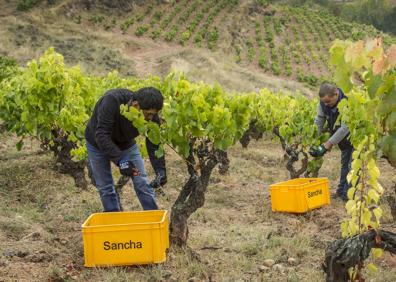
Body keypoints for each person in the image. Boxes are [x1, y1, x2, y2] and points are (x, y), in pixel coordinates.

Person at [85, 87, 167, 212]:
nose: (151, 118)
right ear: (135, 105)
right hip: (96, 143)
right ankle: (115, 222)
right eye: (148, 114)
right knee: (106, 188)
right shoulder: (111, 101)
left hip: (125, 143)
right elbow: (101, 135)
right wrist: (121, 160)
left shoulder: (151, 116)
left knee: (142, 182)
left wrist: (160, 170)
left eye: (154, 114)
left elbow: (154, 142)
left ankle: (153, 220)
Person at [310, 83, 353, 201]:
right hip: (343, 140)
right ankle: (340, 192)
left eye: (328, 102)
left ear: (336, 94)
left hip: (356, 138)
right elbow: (319, 120)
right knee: (345, 165)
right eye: (323, 102)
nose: (325, 104)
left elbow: (345, 127)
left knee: (352, 167)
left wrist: (328, 144)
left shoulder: (347, 102)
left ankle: (347, 197)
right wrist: (314, 140)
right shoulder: (323, 104)